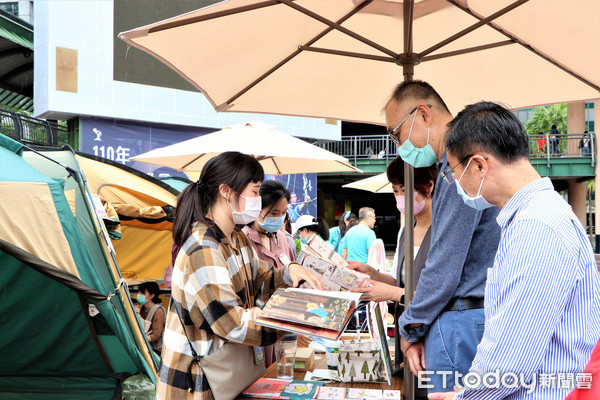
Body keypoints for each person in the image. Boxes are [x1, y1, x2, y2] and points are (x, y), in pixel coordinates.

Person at [429, 101, 600, 400]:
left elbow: (511, 357)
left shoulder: (536, 226)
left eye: (453, 171)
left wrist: (466, 396)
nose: (454, 181)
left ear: (480, 165)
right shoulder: (535, 217)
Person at [158, 151, 323, 399]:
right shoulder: (203, 248)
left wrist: (289, 272)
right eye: (255, 192)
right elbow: (232, 322)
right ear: (226, 191)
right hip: (198, 382)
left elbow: (262, 282)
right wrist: (294, 317)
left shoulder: (236, 238)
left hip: (228, 374)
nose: (257, 199)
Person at [385, 80, 501, 393]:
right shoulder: (473, 163)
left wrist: (410, 324)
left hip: (460, 321)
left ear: (423, 114)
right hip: (477, 316)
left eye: (397, 133)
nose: (399, 145)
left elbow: (443, 266)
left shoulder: (456, 170)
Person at [348, 157, 437, 400]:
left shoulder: (443, 230)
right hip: (406, 331)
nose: (399, 197)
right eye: (396, 191)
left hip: (434, 335)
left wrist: (393, 295)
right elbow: (398, 279)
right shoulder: (405, 230)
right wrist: (372, 273)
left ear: (428, 186)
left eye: (405, 190)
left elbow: (440, 294)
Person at [242, 180, 297, 367]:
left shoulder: (283, 239)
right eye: (274, 213)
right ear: (258, 210)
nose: (279, 219)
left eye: (283, 214)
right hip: (259, 326)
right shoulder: (243, 240)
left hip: (286, 325)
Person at [137, 281, 166, 355]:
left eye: (142, 293)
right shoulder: (141, 309)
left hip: (155, 351)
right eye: (139, 292)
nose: (139, 295)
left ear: (151, 296)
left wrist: (140, 339)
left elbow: (156, 335)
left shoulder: (158, 311)